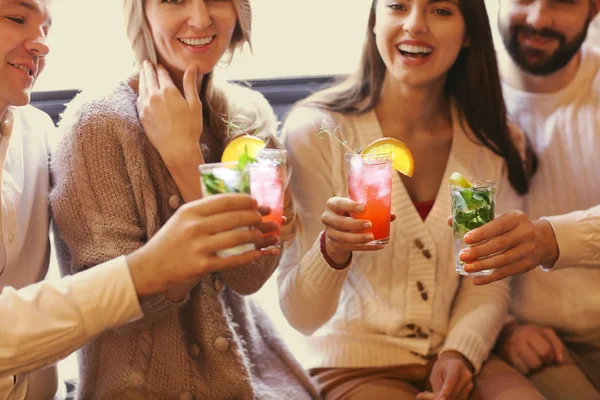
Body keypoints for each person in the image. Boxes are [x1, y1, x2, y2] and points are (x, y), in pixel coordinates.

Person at [0, 1, 286, 399]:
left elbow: (250, 275)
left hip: (263, 384)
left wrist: (187, 160)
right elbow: (114, 313)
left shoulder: (249, 119)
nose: (201, 18)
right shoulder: (99, 123)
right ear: (141, 13)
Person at [278, 1, 545, 399]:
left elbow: (486, 281)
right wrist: (332, 251)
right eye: (398, 6)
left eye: (440, 10)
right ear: (374, 21)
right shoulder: (316, 133)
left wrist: (460, 353)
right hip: (349, 365)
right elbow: (301, 318)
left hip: (456, 357)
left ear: (470, 31)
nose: (415, 25)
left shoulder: (491, 142)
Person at [455, 0, 600, 398]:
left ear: (594, 9)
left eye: (562, 1)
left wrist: (550, 239)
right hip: (525, 340)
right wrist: (503, 328)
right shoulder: (456, 94)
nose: (538, 19)